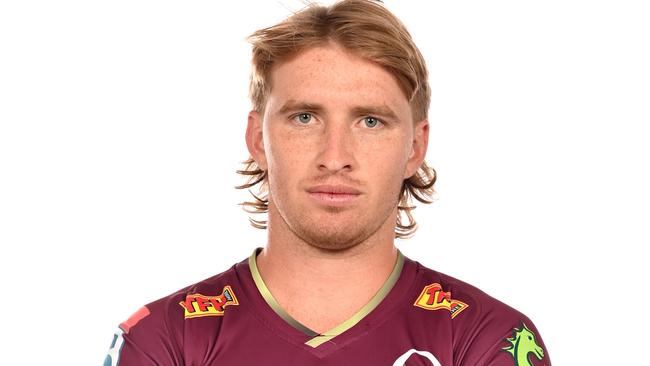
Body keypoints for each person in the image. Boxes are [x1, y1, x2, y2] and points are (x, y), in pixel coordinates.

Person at [104, 1, 551, 365]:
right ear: (256, 138)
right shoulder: (164, 341)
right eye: (304, 117)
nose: (335, 157)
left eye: (370, 121)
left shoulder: (488, 340)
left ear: (415, 147)